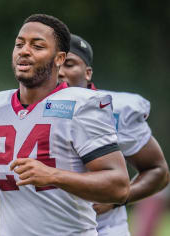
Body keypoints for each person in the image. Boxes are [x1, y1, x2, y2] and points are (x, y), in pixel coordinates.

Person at [0, 13, 131, 236]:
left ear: (59, 58)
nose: (24, 51)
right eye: (19, 44)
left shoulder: (80, 105)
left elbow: (119, 187)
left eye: (37, 46)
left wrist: (53, 176)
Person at [58, 34, 169, 236]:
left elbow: (158, 171)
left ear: (88, 72)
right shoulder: (28, 108)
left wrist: (119, 197)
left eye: (69, 64)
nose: (60, 73)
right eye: (54, 65)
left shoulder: (116, 110)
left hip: (103, 229)